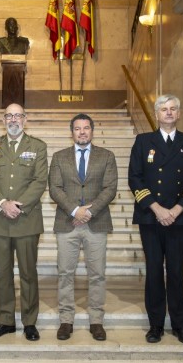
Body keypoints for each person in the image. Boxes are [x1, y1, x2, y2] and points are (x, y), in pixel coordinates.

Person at [128, 94, 183, 346]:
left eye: (173, 109)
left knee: (176, 271)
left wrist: (177, 210)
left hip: (179, 219)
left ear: (179, 114)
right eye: (164, 109)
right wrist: (158, 209)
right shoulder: (143, 141)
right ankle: (156, 325)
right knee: (153, 271)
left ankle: (180, 326)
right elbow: (135, 178)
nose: (169, 112)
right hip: (151, 218)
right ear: (156, 114)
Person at [48, 113, 117, 341]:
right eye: (77, 128)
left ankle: (96, 320)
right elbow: (55, 188)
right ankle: (66, 320)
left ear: (92, 131)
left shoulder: (107, 156)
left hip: (96, 223)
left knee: (97, 274)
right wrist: (75, 210)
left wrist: (88, 211)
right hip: (66, 223)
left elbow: (110, 188)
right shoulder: (59, 157)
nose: (82, 132)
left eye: (86, 128)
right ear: (72, 132)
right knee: (65, 273)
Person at [0, 103, 47, 341]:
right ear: (3, 120)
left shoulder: (38, 146)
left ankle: (29, 322)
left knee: (28, 273)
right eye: (9, 115)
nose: (13, 119)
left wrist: (18, 205)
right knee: (3, 273)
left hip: (26, 220)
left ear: (25, 119)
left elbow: (40, 181)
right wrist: (3, 203)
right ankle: (6, 320)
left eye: (17, 115)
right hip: (0, 220)